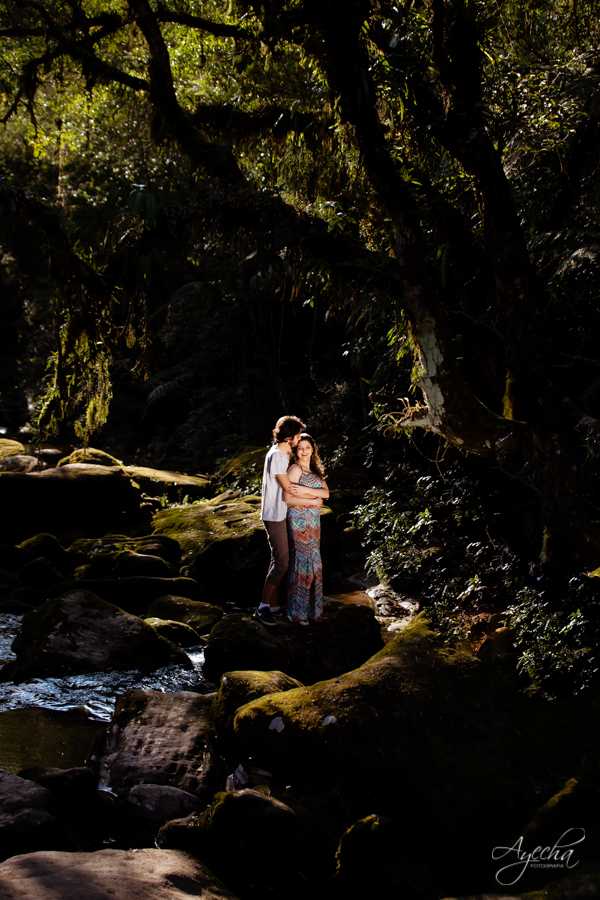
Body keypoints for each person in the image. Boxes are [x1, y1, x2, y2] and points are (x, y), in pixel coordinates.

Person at [257, 415, 323, 626]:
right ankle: (262, 607)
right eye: (297, 436)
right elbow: (289, 488)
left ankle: (274, 606)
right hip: (274, 515)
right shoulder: (277, 456)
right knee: (282, 562)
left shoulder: (282, 454)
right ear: (289, 437)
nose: (299, 439)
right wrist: (314, 499)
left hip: (280, 514)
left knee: (277, 560)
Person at [284, 433, 329, 625]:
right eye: (300, 448)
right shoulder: (295, 469)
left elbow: (326, 493)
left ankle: (314, 612)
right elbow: (287, 498)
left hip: (314, 522)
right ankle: (297, 613)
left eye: (307, 447)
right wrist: (314, 500)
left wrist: (305, 491)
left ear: (313, 450)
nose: (304, 451)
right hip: (298, 520)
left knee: (315, 563)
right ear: (296, 451)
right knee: (302, 563)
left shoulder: (316, 471)